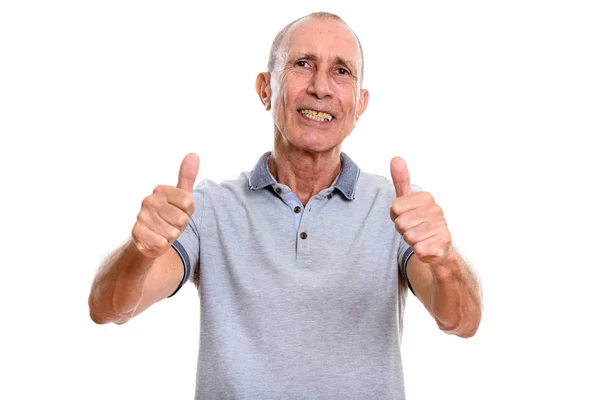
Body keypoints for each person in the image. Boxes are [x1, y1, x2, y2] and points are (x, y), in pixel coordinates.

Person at [88, 11, 483, 399]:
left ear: (360, 105)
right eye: (303, 64)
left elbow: (462, 322)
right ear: (265, 88)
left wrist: (445, 260)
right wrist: (139, 252)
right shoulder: (208, 210)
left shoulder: (396, 208)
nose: (321, 87)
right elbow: (110, 309)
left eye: (341, 71)